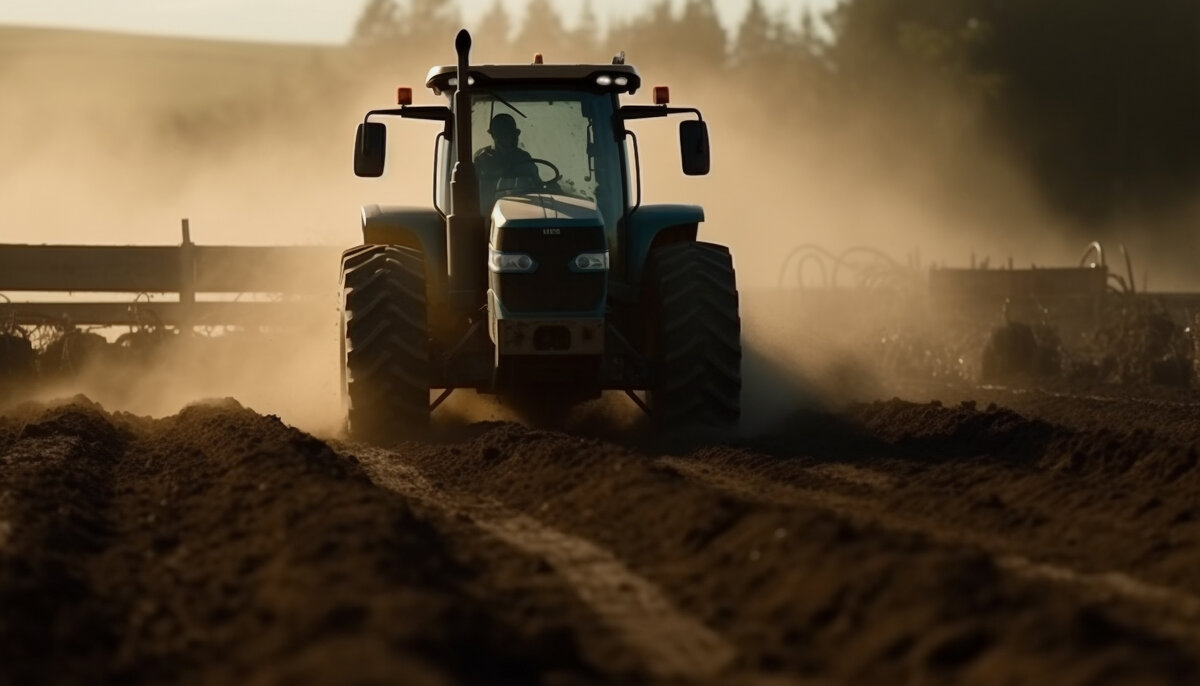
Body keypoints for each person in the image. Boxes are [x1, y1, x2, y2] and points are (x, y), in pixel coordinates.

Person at [474, 113, 540, 205]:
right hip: (489, 212)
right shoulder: (483, 159)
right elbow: (474, 191)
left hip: (524, 207)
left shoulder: (523, 157)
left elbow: (537, 185)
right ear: (494, 136)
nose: (511, 138)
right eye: (504, 134)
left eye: (513, 134)